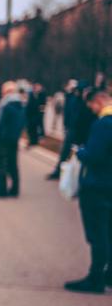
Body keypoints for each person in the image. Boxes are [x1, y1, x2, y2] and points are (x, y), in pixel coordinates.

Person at [64, 88, 112, 294]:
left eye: (91, 105)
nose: (91, 109)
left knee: (98, 233)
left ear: (99, 101)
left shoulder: (104, 124)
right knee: (109, 231)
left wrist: (80, 151)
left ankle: (95, 278)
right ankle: (109, 275)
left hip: (97, 185)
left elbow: (93, 155)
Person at [0, 81, 26, 197]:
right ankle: (15, 189)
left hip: (3, 139)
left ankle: (2, 189)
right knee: (13, 164)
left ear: (7, 92)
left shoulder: (6, 105)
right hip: (14, 138)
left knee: (1, 163)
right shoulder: (21, 104)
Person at [25, 83, 46, 147]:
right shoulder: (30, 94)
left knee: (38, 126)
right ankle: (31, 141)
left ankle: (35, 141)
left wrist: (41, 113)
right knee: (30, 128)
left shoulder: (42, 95)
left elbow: (43, 105)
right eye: (36, 86)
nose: (37, 88)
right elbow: (28, 104)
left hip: (38, 114)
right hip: (30, 114)